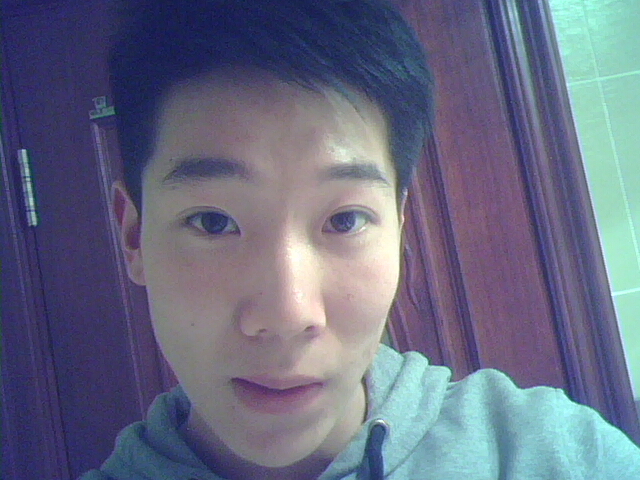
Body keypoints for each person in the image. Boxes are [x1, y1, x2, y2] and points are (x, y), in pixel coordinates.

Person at [80, 0, 640, 478]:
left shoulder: (548, 454)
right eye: (212, 222)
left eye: (345, 220)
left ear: (398, 228)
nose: (288, 315)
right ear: (133, 235)